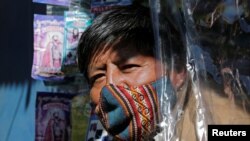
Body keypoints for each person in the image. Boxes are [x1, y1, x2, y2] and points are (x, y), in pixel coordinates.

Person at [77, 4, 250, 141]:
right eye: (98, 77)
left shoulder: (223, 125)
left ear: (178, 69)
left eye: (128, 67)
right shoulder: (132, 133)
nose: (111, 85)